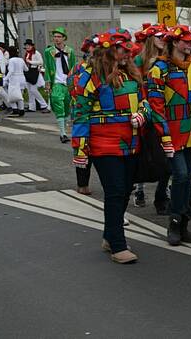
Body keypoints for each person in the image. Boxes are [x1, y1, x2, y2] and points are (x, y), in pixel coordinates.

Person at [71, 28, 148, 264]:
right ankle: (117, 245)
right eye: (122, 50)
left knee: (125, 190)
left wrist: (142, 115)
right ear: (109, 51)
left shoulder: (132, 74)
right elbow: (81, 114)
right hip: (104, 146)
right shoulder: (90, 77)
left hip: (130, 144)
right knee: (115, 191)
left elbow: (145, 101)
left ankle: (109, 235)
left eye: (128, 50)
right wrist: (80, 150)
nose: (127, 54)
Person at [147, 24, 191, 246]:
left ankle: (182, 226)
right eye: (186, 41)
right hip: (171, 133)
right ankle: (174, 223)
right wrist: (163, 135)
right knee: (181, 176)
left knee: (185, 180)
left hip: (190, 131)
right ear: (175, 42)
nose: (190, 44)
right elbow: (155, 105)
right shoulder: (159, 68)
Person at [132, 23, 172, 215]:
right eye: (158, 36)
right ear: (150, 39)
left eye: (165, 37)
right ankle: (139, 189)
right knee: (146, 155)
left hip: (166, 113)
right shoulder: (140, 60)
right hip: (147, 114)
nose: (162, 40)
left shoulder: (169, 59)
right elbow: (136, 86)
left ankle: (162, 195)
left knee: (167, 160)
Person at [68, 36, 97, 196]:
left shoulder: (105, 68)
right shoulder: (78, 69)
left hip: (101, 116)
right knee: (82, 147)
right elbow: (71, 87)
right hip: (81, 112)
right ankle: (82, 184)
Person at [43, 27, 77, 143]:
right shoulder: (49, 52)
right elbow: (47, 67)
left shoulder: (70, 51)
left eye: (59, 37)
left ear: (63, 38)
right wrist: (47, 82)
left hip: (67, 81)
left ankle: (65, 130)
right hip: (56, 82)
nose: (56, 39)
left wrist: (75, 81)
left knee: (67, 106)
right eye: (55, 37)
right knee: (58, 105)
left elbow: (73, 66)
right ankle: (62, 134)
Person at [23, 39, 50, 113]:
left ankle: (44, 105)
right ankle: (32, 107)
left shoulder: (36, 53)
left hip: (34, 71)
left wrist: (30, 62)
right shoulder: (27, 53)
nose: (27, 47)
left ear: (32, 46)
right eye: (26, 45)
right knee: (29, 90)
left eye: (29, 45)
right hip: (28, 71)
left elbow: (41, 62)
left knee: (33, 89)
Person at [4, 46, 28, 117]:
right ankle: (21, 110)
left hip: (14, 79)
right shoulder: (21, 59)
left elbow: (11, 71)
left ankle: (15, 109)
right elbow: (26, 69)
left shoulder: (11, 60)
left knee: (11, 95)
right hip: (22, 79)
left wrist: (5, 78)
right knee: (20, 96)